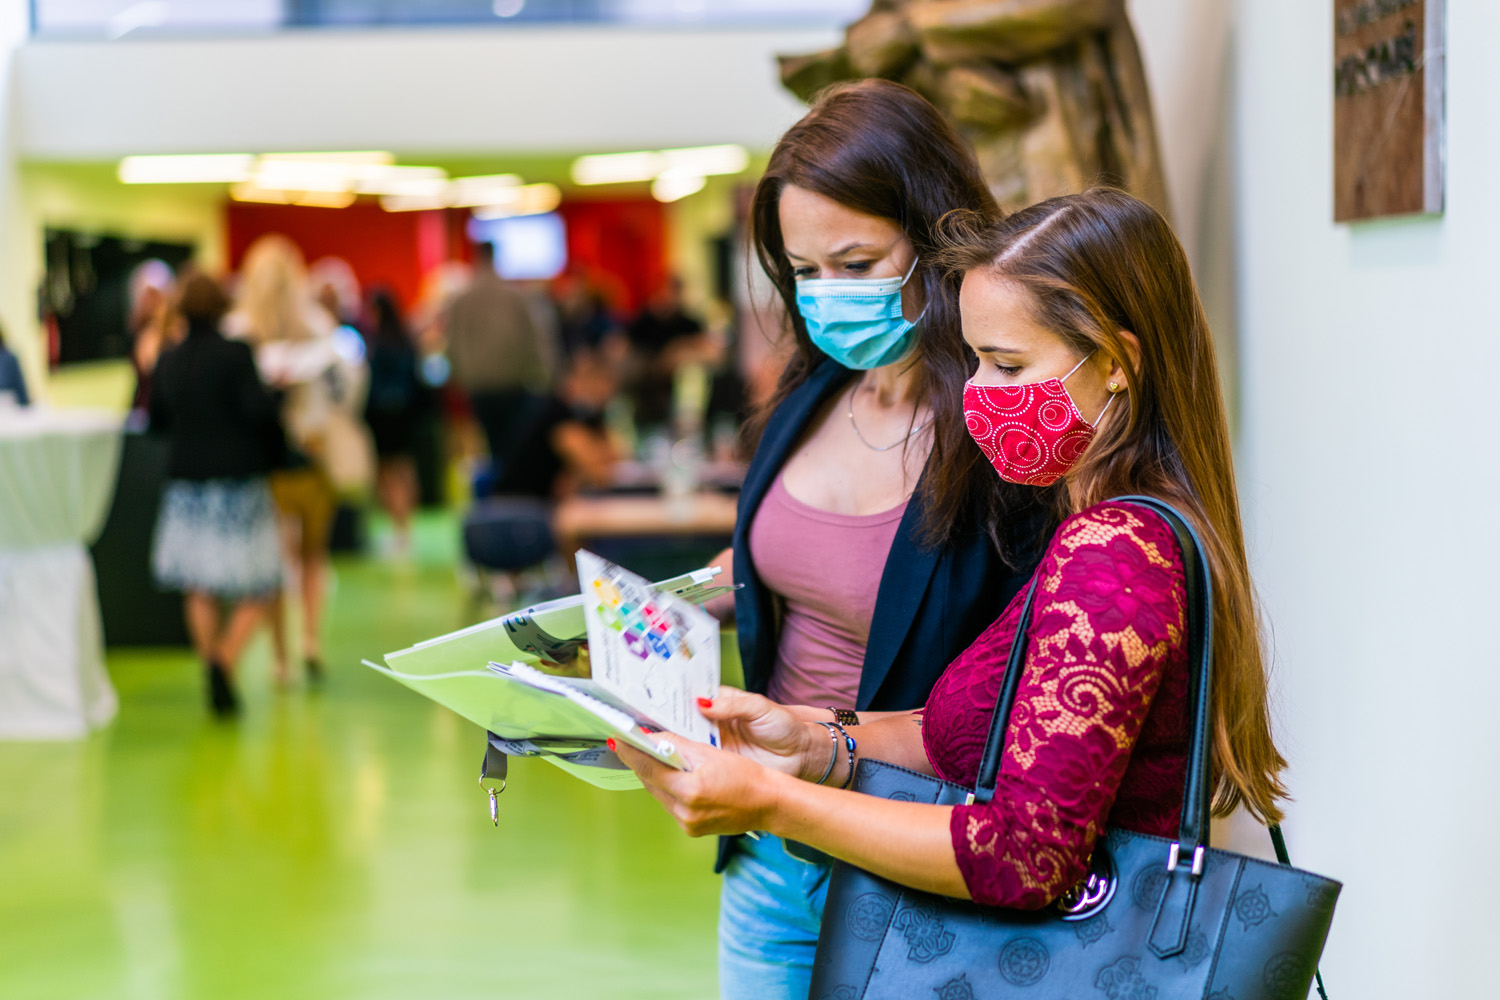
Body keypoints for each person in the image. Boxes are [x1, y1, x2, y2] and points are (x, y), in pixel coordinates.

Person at [617, 189, 1289, 946]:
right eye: (975, 360)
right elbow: (984, 736)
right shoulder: (1095, 526)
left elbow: (1025, 854)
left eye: (1008, 364)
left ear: (1117, 363)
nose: (977, 395)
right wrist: (817, 742)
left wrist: (773, 803)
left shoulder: (1114, 551)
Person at [693, 80, 1052, 1000]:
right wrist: (657, 611)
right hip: (772, 854)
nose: (826, 296)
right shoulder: (811, 393)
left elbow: (1017, 698)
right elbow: (791, 566)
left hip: (911, 861)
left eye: (855, 264)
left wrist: (824, 751)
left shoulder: (999, 431)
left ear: (935, 235)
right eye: (804, 272)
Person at [228, 234, 369, 686]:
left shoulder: (238, 331)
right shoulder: (319, 327)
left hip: (266, 462)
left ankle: (280, 655)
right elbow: (347, 392)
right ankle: (309, 638)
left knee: (276, 561)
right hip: (312, 455)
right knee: (312, 555)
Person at [148, 273, 282, 716]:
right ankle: (226, 657)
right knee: (261, 581)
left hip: (187, 483)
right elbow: (258, 409)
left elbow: (156, 420)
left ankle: (210, 659)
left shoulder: (168, 358)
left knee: (199, 583)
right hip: (238, 481)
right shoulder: (237, 354)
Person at [445, 241, 556, 468]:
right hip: (514, 383)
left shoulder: (462, 299)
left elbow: (452, 343)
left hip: (479, 384)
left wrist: (458, 376)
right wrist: (543, 375)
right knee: (514, 445)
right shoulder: (516, 296)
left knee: (492, 446)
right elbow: (534, 338)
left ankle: (499, 483)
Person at [488, 352, 620, 500]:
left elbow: (616, 457)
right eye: (592, 381)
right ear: (571, 380)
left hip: (538, 504)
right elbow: (595, 471)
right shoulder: (555, 414)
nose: (603, 390)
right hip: (516, 504)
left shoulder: (586, 416)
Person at [361, 288, 433, 555]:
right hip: (406, 417)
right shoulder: (406, 341)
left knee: (389, 474)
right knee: (404, 470)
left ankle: (399, 530)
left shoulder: (375, 345)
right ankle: (404, 529)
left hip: (382, 419)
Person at [0, 324, 30, 407]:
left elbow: (19, 385)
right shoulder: (9, 357)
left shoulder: (8, 358)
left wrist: (24, 403)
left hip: (7, 403)